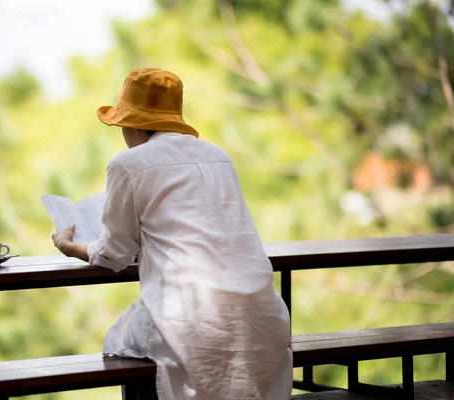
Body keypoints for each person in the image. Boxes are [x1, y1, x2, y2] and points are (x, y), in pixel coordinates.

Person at [52, 68, 292, 400]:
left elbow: (114, 254)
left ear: (134, 123)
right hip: (262, 312)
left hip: (187, 315)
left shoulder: (127, 164)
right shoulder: (218, 156)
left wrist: (69, 246)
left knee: (121, 346)